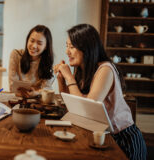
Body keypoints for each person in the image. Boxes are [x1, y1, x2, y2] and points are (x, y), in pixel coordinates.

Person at [54, 24, 147, 160]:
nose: (67, 51)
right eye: (67, 46)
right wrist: (62, 80)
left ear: (87, 48)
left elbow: (87, 107)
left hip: (122, 138)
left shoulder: (105, 69)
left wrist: (69, 77)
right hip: (101, 134)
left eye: (72, 47)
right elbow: (72, 106)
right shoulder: (81, 70)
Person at [8, 25, 55, 98]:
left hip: (37, 100)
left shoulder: (47, 61)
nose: (34, 46)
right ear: (27, 40)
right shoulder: (16, 55)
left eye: (39, 43)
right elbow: (12, 85)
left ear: (46, 46)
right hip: (18, 98)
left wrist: (36, 92)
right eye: (32, 41)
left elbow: (47, 88)